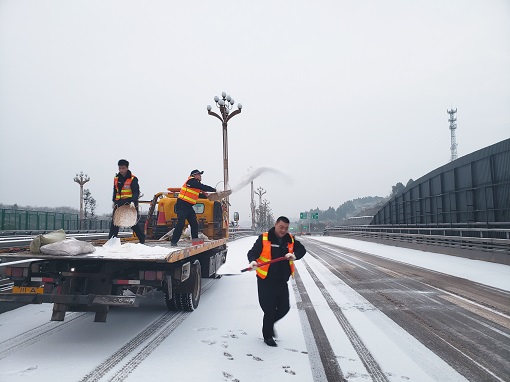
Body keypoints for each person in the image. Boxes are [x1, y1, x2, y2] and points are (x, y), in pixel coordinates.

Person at [247, 216, 306, 347]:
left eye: (286, 228)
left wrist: (294, 255)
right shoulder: (264, 238)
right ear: (275, 225)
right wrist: (252, 261)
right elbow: (253, 252)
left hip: (281, 281)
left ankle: (269, 324)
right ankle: (267, 336)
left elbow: (302, 250)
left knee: (284, 308)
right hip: (265, 280)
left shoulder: (290, 239)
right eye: (281, 227)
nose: (283, 230)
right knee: (269, 309)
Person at [170, 169, 216, 246]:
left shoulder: (195, 185)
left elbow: (195, 195)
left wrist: (206, 196)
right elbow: (203, 186)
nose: (200, 176)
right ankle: (173, 241)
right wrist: (215, 190)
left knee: (194, 224)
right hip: (182, 206)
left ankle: (195, 241)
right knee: (181, 223)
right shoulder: (191, 181)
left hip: (188, 207)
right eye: (199, 174)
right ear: (194, 175)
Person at [108, 159, 145, 244]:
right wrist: (114, 201)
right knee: (115, 222)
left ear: (127, 168)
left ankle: (141, 237)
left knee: (131, 222)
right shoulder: (116, 178)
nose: (121, 170)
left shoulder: (133, 179)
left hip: (129, 203)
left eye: (123, 168)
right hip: (119, 202)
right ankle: (111, 239)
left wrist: (133, 201)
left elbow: (136, 191)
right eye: (120, 168)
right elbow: (115, 190)